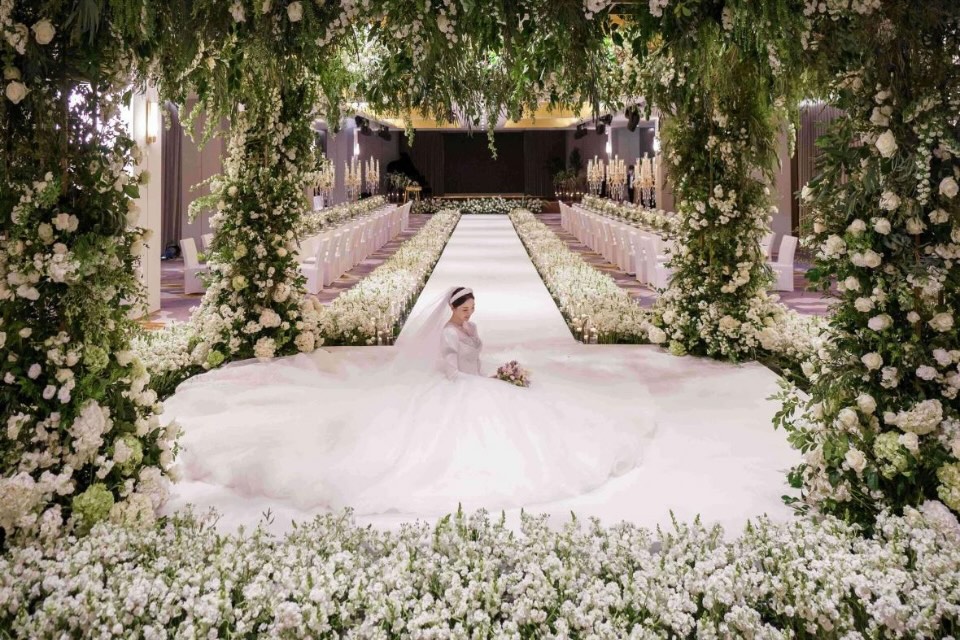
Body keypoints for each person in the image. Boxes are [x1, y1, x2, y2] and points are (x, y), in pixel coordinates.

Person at [164, 286, 655, 516]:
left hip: (473, 381)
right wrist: (477, 382)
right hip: (453, 388)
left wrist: (495, 375)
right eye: (465, 308)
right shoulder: (445, 336)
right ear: (452, 311)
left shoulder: (472, 329)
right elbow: (448, 370)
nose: (470, 314)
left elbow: (473, 360)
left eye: (472, 308)